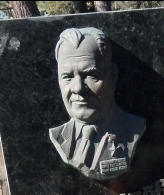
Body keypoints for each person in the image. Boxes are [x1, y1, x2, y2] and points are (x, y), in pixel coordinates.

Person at [48, 27, 146, 181]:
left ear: (112, 76)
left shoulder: (133, 128)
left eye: (90, 75)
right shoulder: (58, 136)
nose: (77, 88)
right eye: (67, 77)